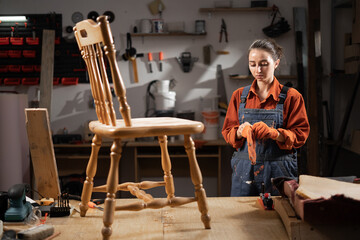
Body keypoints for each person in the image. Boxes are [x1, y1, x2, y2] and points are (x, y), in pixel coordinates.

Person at [222, 39, 310, 196]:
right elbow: (228, 132)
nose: (258, 70)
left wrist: (276, 134)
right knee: (241, 215)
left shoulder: (291, 97)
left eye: (264, 64)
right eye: (253, 64)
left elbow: (300, 135)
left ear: (276, 63)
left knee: (279, 216)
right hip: (244, 173)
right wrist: (240, 132)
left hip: (278, 172)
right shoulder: (239, 96)